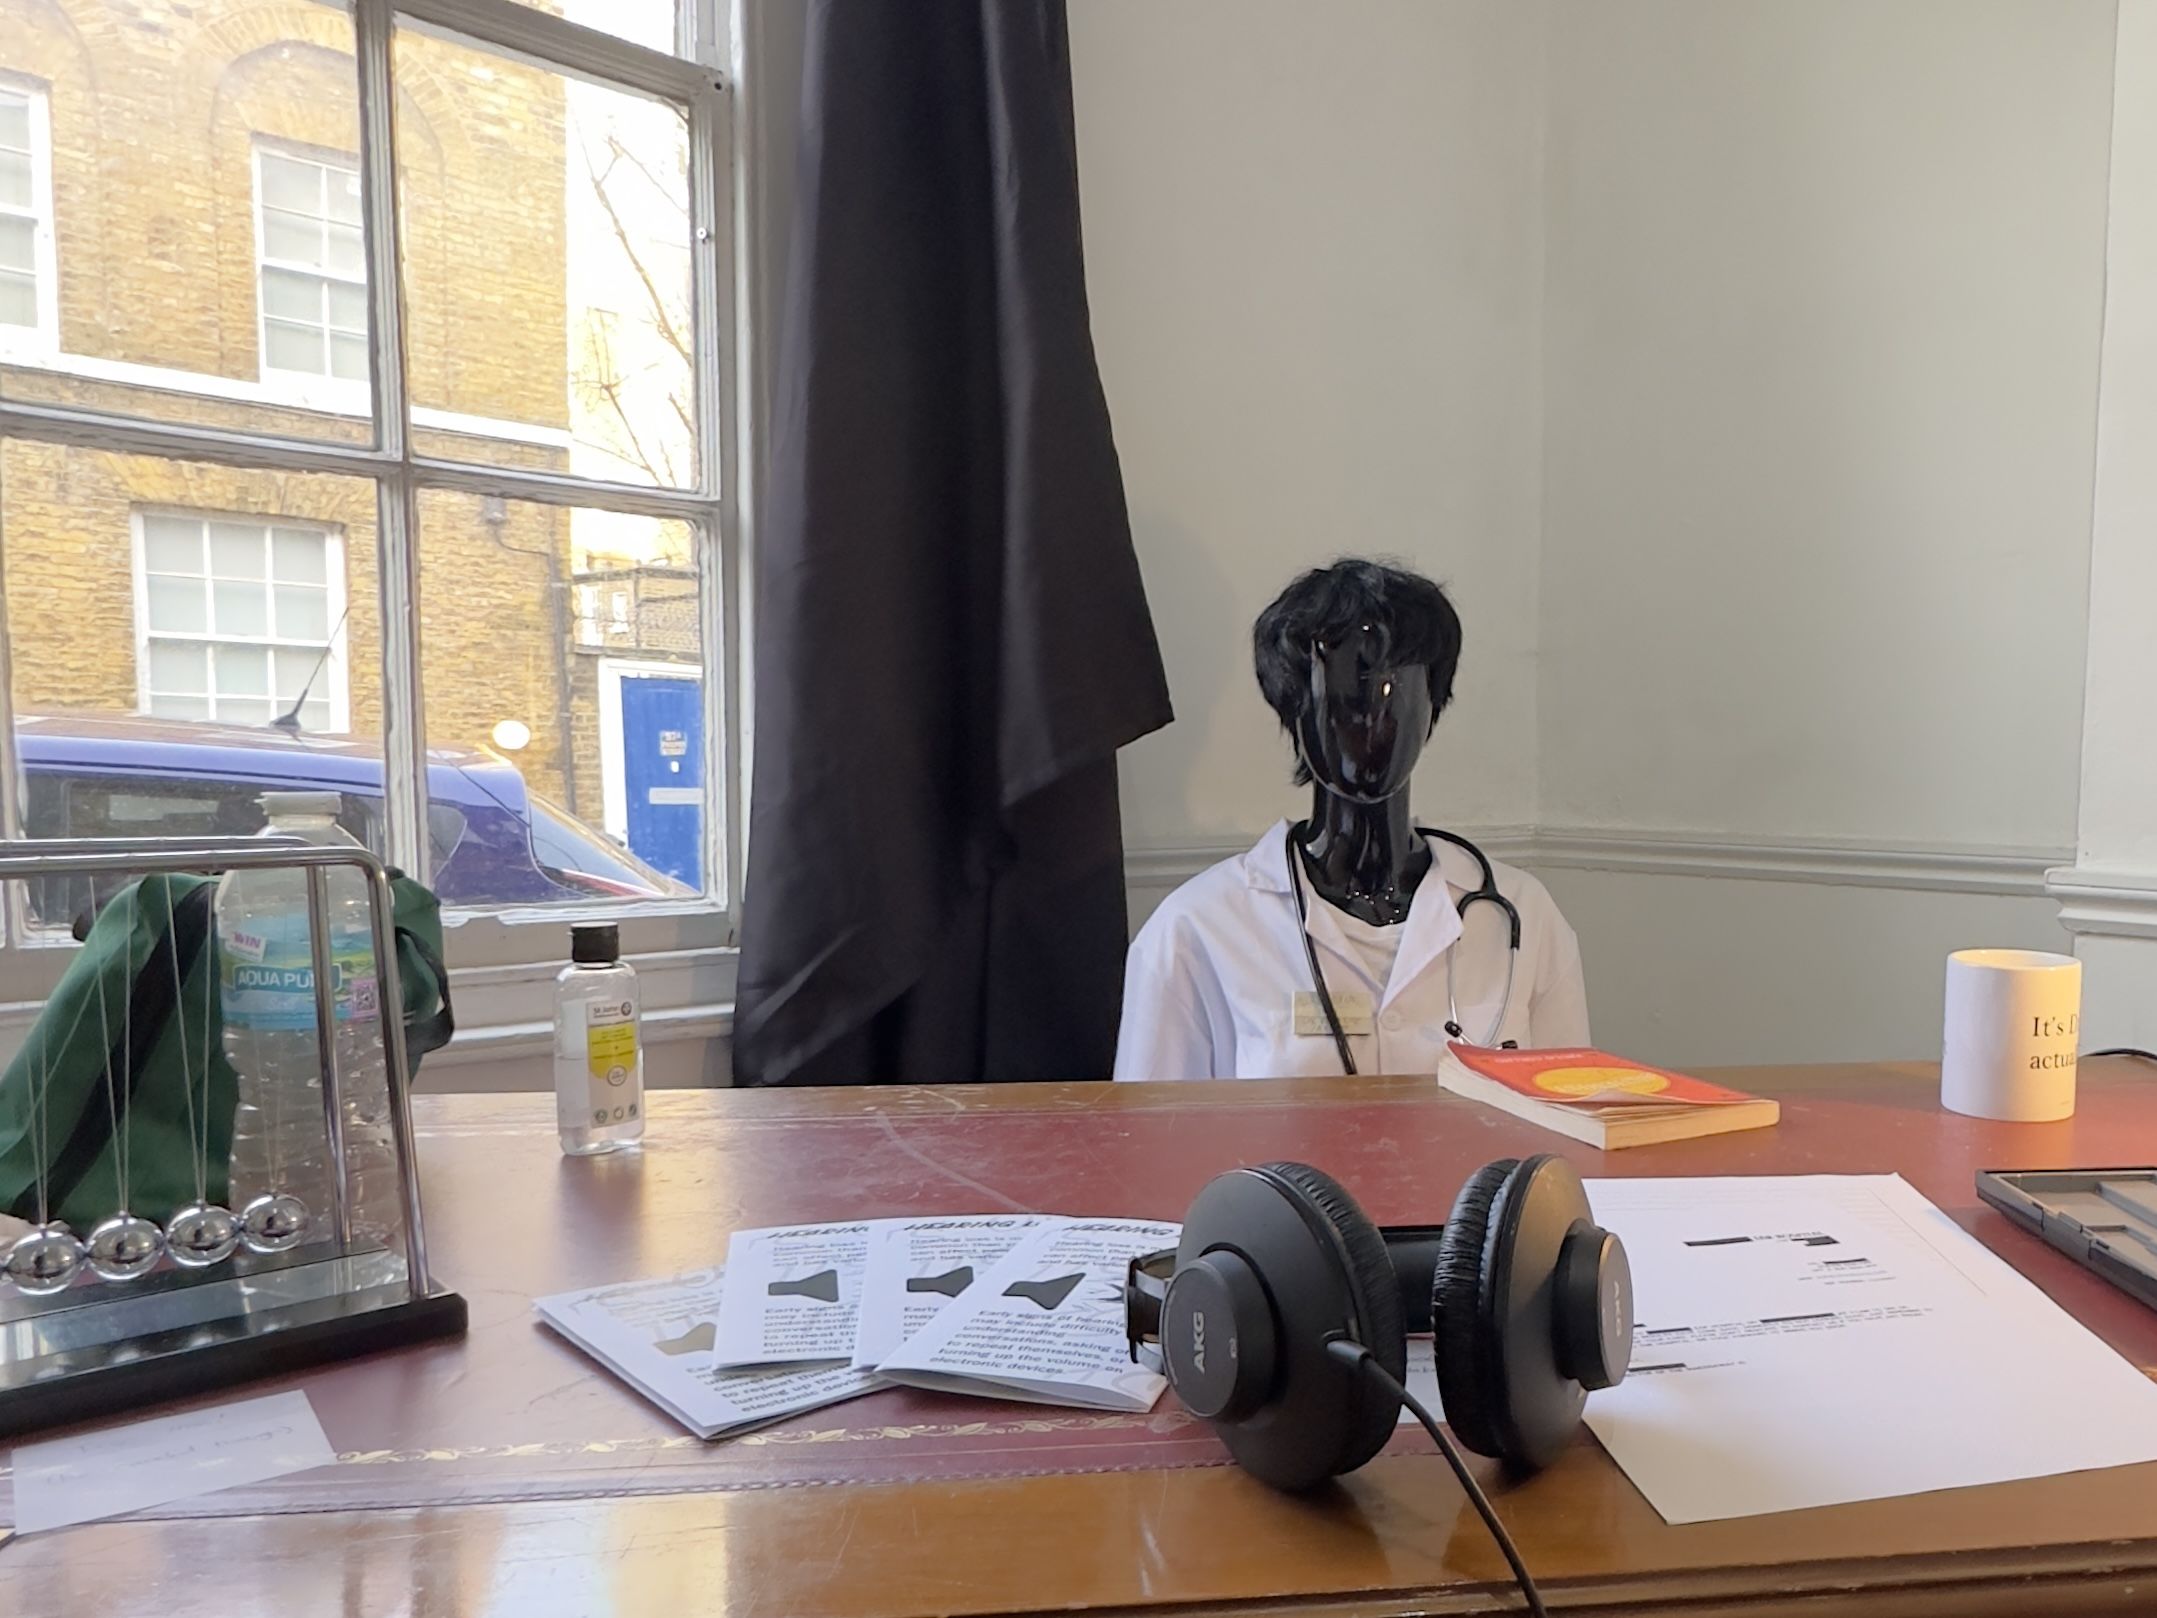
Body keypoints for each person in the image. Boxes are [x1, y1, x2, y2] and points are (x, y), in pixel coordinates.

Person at [1113, 559, 1588, 1081]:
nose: (1370, 722)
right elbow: (1151, 1146)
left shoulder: (1524, 914)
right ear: (1294, 714)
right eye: (1340, 698)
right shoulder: (1194, 929)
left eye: (1395, 692)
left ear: (1433, 708)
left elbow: (1567, 1135)